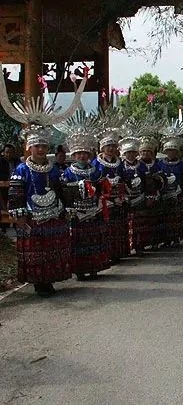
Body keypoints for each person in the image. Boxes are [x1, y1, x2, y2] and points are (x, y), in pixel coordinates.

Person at [8, 127, 71, 296]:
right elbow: (15, 195)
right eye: (37, 146)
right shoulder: (21, 169)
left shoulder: (54, 170)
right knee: (36, 252)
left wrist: (66, 209)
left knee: (51, 250)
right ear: (29, 147)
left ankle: (49, 280)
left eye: (44, 146)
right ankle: (38, 283)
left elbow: (62, 191)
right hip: (32, 218)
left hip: (54, 216)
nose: (41, 149)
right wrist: (19, 216)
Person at [62, 130, 109, 280]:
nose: (82, 156)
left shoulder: (96, 171)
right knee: (78, 242)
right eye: (78, 153)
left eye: (84, 153)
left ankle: (94, 267)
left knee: (94, 239)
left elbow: (103, 189)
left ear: (89, 155)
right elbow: (64, 192)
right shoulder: (68, 172)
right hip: (77, 212)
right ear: (74, 155)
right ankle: (80, 270)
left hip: (94, 209)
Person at [92, 130, 128, 262]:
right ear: (103, 148)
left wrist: (122, 195)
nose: (111, 149)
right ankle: (107, 255)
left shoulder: (119, 163)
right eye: (108, 146)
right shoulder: (96, 163)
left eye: (113, 146)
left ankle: (118, 252)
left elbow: (123, 179)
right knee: (106, 229)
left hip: (118, 200)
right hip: (104, 202)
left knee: (118, 228)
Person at [158, 134, 183, 247]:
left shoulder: (182, 165)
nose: (171, 153)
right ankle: (166, 239)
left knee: (176, 218)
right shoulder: (160, 164)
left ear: (177, 152)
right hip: (164, 195)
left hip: (178, 195)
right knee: (165, 218)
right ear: (165, 152)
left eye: (173, 151)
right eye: (169, 151)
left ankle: (176, 238)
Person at [118, 136, 149, 255]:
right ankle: (129, 247)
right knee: (128, 224)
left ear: (136, 153)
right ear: (124, 153)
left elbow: (147, 182)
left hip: (140, 197)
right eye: (128, 152)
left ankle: (140, 245)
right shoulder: (120, 166)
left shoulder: (141, 166)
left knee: (140, 223)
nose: (130, 155)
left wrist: (148, 196)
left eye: (132, 152)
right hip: (127, 199)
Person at [139, 136, 165, 250]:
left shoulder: (157, 164)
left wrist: (157, 179)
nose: (146, 153)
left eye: (148, 151)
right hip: (141, 198)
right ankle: (142, 244)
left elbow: (163, 179)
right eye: (143, 151)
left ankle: (155, 242)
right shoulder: (137, 165)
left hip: (155, 196)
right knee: (143, 222)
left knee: (155, 221)